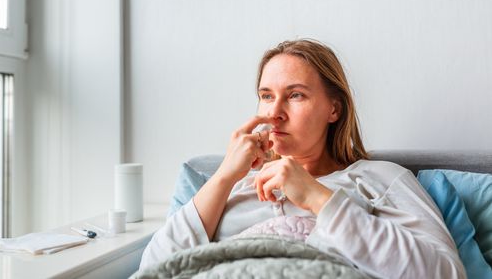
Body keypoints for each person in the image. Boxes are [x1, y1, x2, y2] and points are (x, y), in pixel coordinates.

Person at [139, 39, 465, 278]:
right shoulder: (231, 188)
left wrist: (317, 197)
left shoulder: (379, 178)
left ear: (334, 109)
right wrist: (225, 175)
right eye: (266, 96)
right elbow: (155, 268)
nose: (275, 113)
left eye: (295, 95)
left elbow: (445, 273)